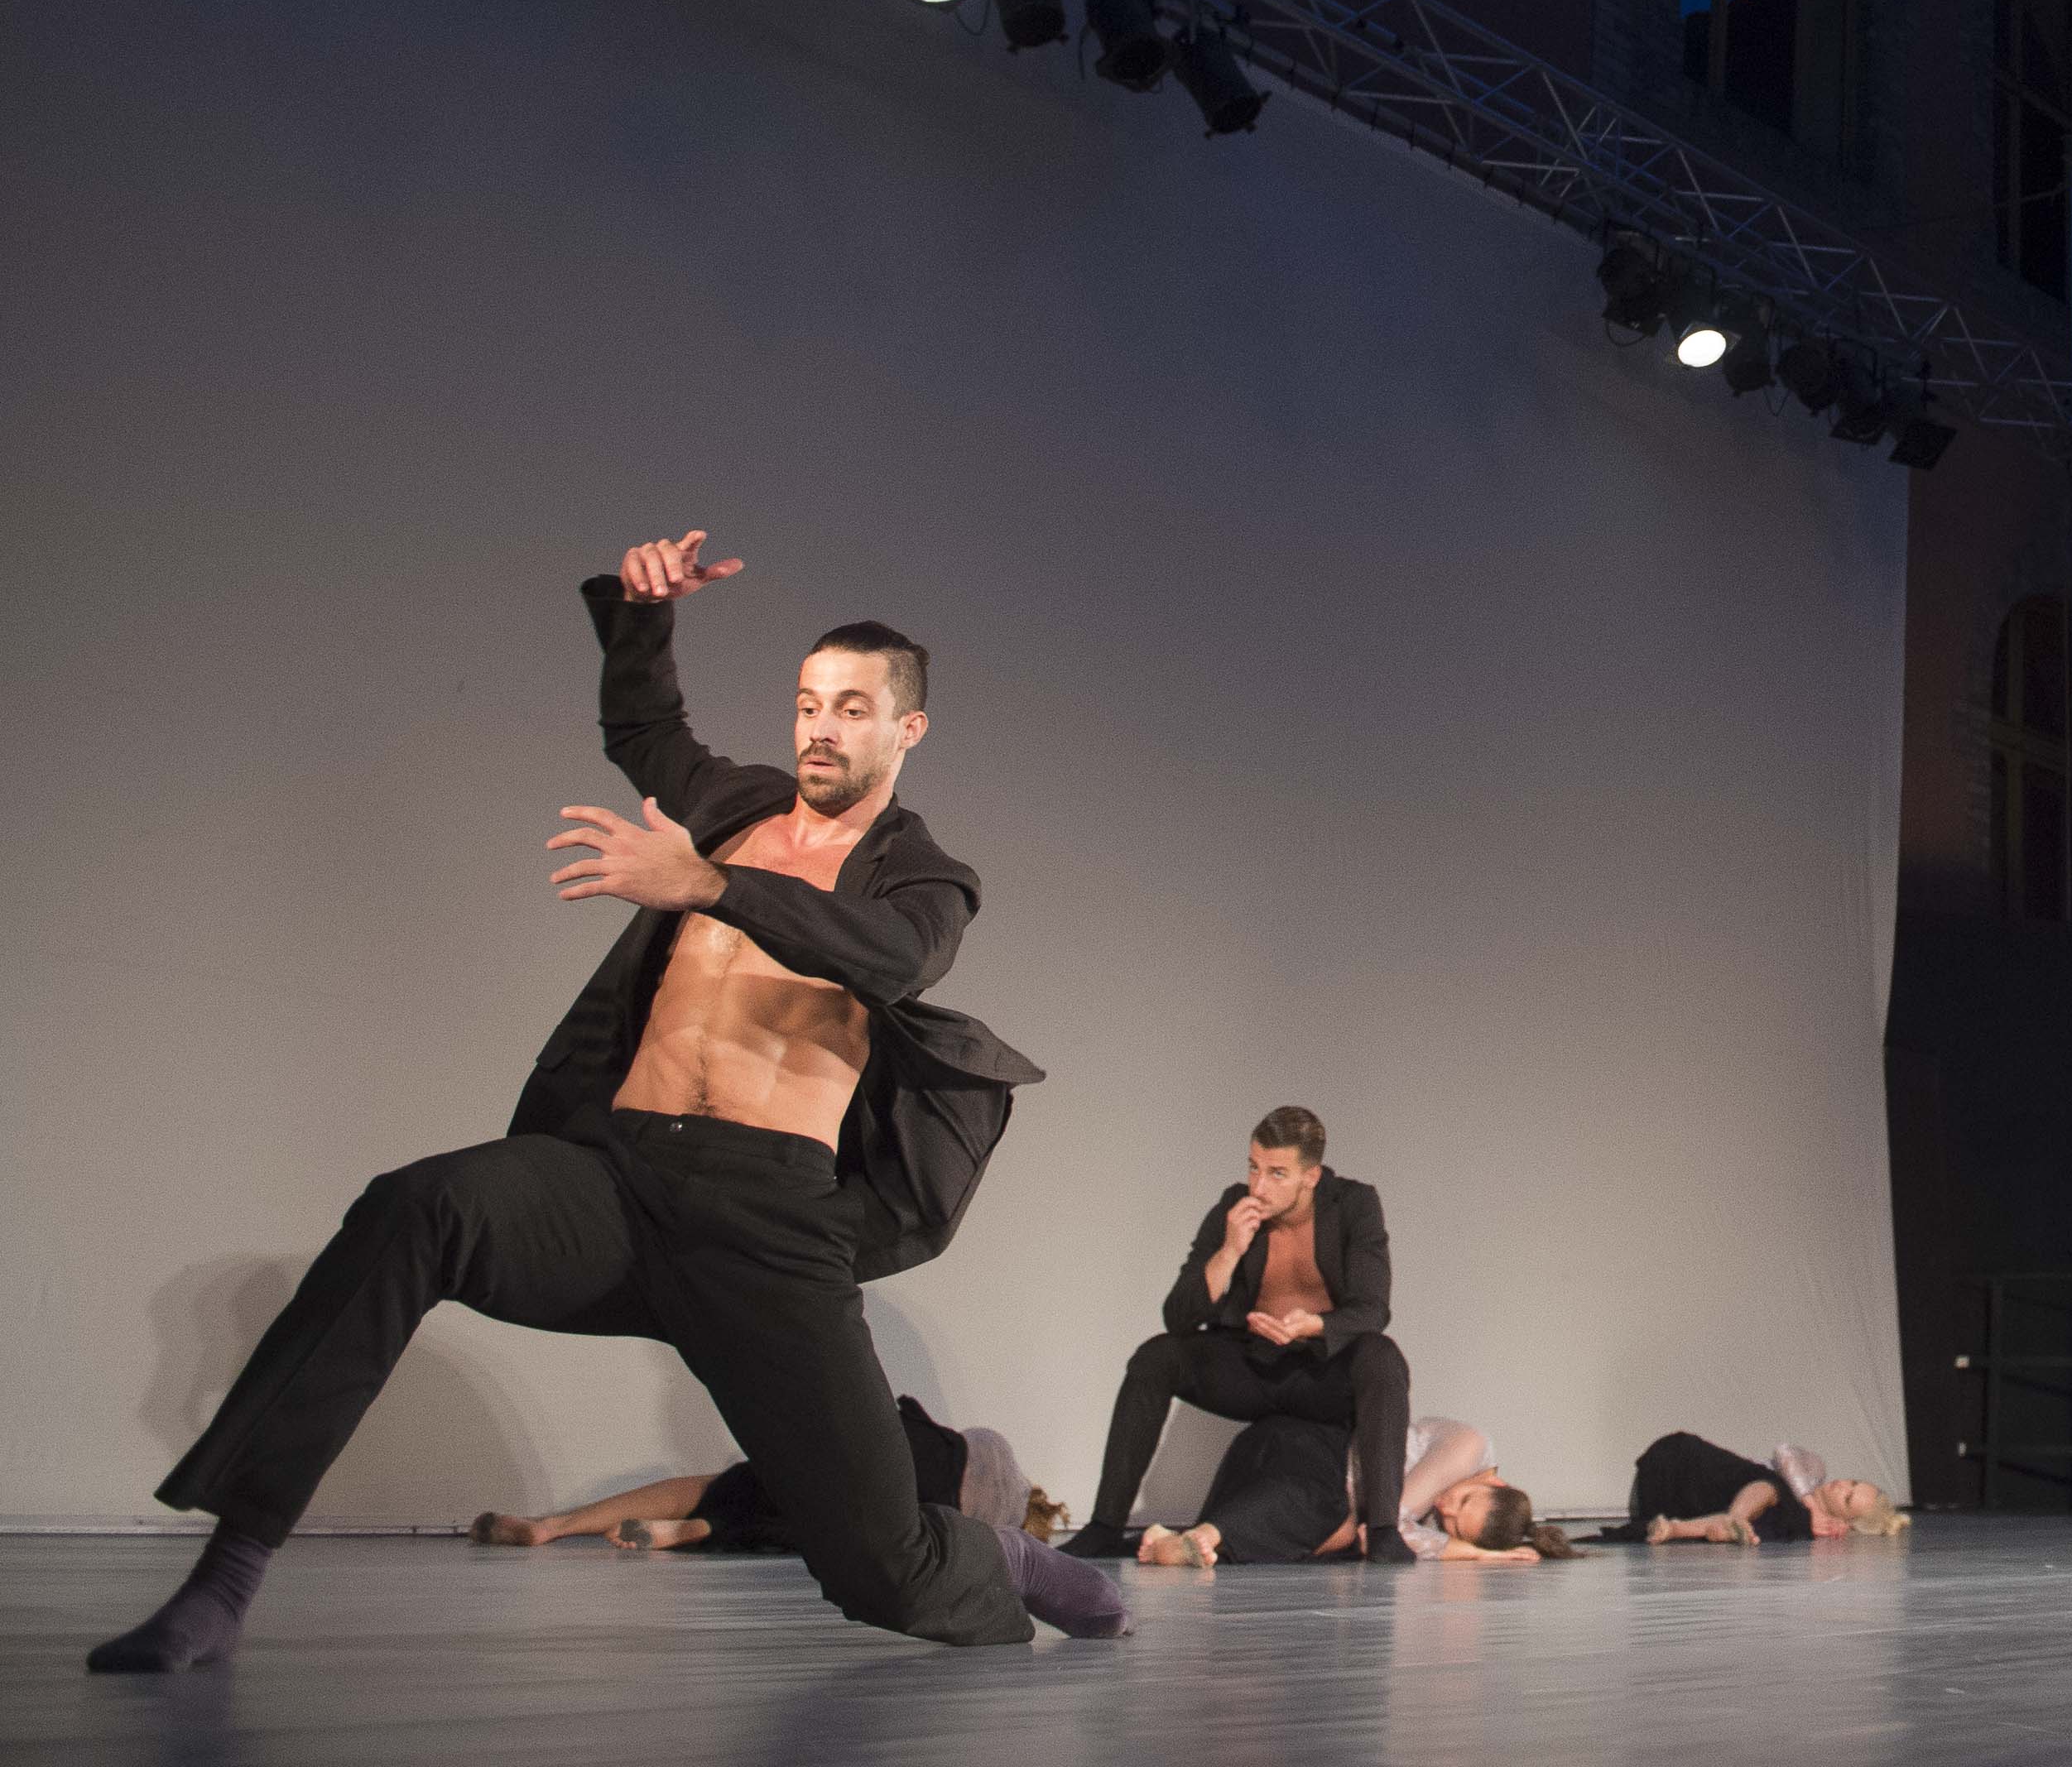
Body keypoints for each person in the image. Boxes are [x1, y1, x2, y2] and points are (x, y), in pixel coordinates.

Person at [89, 531, 1121, 1669]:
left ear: (906, 729)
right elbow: (644, 732)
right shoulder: (736, 807)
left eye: (853, 708)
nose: (821, 728)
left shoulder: (921, 874)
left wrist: (711, 887)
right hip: (619, 1176)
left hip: (765, 1222)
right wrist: (645, 620)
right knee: (415, 1208)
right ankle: (227, 1579)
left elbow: (893, 957)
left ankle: (1008, 1565)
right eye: (807, 702)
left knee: (883, 1571)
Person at [1067, 1109, 1411, 1562]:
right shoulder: (1234, 1206)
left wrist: (1312, 1325)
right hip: (1253, 1366)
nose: (1259, 1186)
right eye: (1253, 1167)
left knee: (1381, 1356)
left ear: (1311, 1176)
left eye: (1276, 1173)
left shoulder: (1353, 1203)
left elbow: (1372, 1309)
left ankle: (1384, 1530)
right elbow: (1179, 1317)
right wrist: (1230, 1250)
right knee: (1157, 1357)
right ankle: (1105, 1525)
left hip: (1318, 1373)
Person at [469, 1396, 1054, 1553]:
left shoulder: (1000, 1452)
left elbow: (926, 1428)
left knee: (716, 1483)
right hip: (912, 1504)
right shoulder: (1001, 1530)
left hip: (881, 1443)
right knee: (818, 1529)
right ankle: (710, 1530)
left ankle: (550, 1526)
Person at [1136, 1411, 1570, 1567]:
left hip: (1276, 1471)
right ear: (1495, 1481)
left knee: (1320, 1539)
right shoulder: (1468, 1447)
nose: (1443, 1507)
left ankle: (1174, 1540)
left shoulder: (1464, 1474)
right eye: (1462, 1501)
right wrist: (1476, 1554)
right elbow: (1384, 1528)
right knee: (1332, 1517)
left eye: (1452, 1524)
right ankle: (1202, 1537)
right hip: (1307, 1449)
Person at [1598, 1433, 1907, 1544]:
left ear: (1845, 1521)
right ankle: (1732, 1520)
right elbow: (1784, 1453)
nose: (1843, 1485)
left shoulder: (1799, 1525)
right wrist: (1810, 1503)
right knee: (1773, 1490)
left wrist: (1809, 1519)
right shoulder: (1815, 1471)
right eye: (1852, 1482)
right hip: (1676, 1468)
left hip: (1663, 1509)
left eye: (1848, 1496)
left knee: (1772, 1525)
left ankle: (1680, 1529)